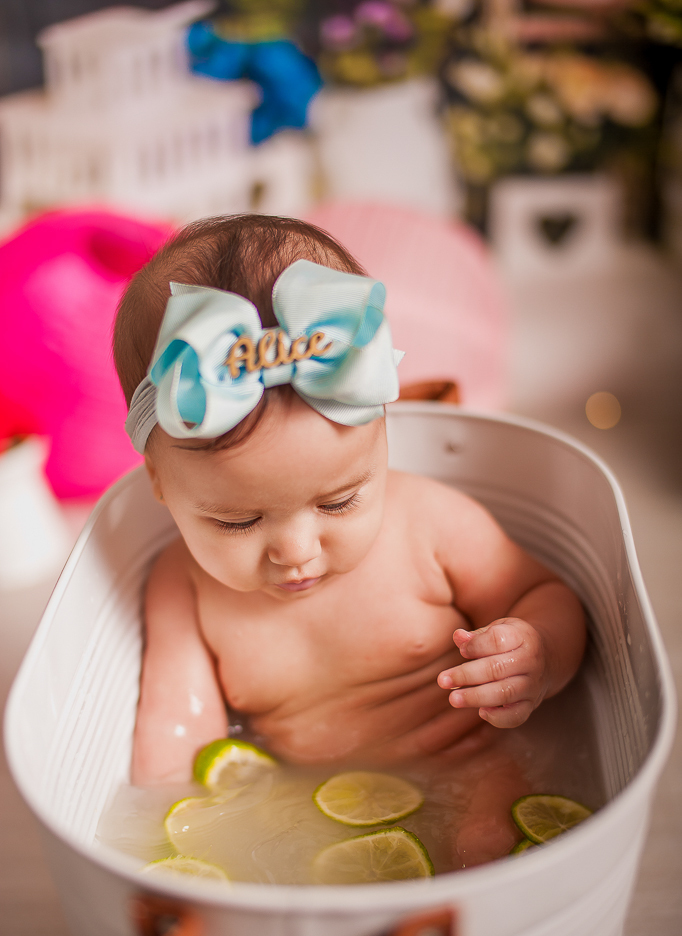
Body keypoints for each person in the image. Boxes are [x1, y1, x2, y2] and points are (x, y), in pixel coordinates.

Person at [115, 214, 586, 863]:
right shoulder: (181, 584)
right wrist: (161, 842)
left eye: (338, 500)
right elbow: (175, 730)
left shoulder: (431, 522)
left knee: (486, 848)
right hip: (296, 802)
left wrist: (538, 655)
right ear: (160, 483)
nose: (295, 550)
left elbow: (544, 592)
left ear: (384, 437)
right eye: (239, 521)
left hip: (474, 764)